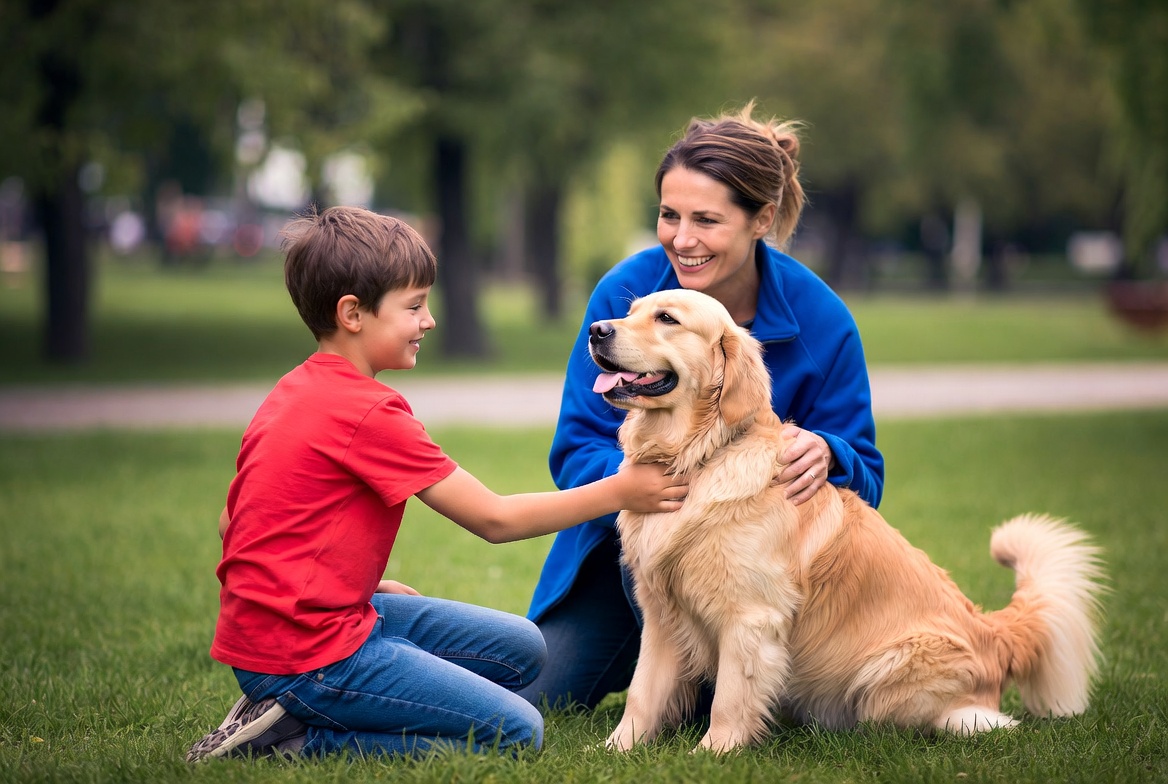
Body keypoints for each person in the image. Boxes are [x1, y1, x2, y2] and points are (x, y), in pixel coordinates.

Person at [185, 206, 688, 762]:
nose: (428, 320)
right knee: (517, 731)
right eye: (414, 306)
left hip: (317, 624)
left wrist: (355, 589)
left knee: (524, 648)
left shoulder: (294, 390)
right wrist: (621, 490)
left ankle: (302, 698)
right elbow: (494, 520)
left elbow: (235, 523)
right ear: (353, 313)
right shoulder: (366, 412)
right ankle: (294, 737)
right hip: (307, 656)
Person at [518, 103, 886, 712]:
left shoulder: (823, 322)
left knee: (739, 673)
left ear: (760, 219)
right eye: (669, 215)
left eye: (707, 220)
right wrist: (627, 484)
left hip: (756, 571)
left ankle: (723, 692)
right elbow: (576, 446)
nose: (682, 240)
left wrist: (831, 452)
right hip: (623, 555)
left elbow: (867, 478)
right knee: (538, 694)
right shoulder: (625, 295)